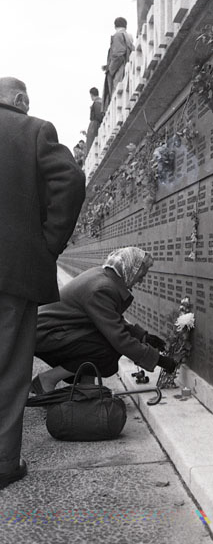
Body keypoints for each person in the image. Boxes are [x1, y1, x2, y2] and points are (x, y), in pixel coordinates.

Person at [0, 77, 85, 489]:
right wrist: (47, 245)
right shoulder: (33, 130)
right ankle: (3, 464)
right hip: (13, 272)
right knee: (9, 368)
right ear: (19, 99)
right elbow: (71, 180)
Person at [33, 247, 177, 393]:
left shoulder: (104, 276)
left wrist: (143, 337)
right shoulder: (101, 288)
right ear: (130, 270)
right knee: (106, 349)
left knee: (102, 341)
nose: (140, 281)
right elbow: (119, 338)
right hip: (46, 334)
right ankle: (47, 379)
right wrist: (159, 360)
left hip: (54, 330)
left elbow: (110, 319)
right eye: (140, 276)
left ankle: (86, 388)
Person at [102, 17, 135, 112]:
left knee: (117, 98)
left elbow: (118, 55)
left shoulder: (117, 36)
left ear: (115, 26)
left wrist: (110, 69)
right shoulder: (128, 37)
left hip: (119, 72)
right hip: (127, 70)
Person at [85, 87, 103, 155]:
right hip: (96, 124)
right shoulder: (101, 102)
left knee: (91, 144)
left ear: (91, 95)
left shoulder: (97, 103)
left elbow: (99, 116)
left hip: (95, 125)